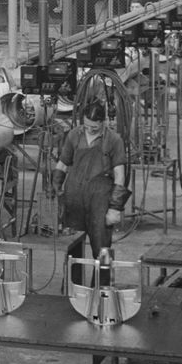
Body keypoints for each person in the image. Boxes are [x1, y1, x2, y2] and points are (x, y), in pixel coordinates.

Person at [54, 101, 128, 258]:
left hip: (99, 199)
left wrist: (115, 207)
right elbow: (63, 163)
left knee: (102, 248)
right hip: (74, 197)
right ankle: (71, 282)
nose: (89, 130)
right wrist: (55, 185)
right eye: (86, 125)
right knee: (72, 248)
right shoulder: (74, 134)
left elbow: (120, 175)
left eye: (94, 127)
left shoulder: (114, 140)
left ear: (103, 122)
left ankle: (103, 282)